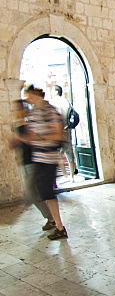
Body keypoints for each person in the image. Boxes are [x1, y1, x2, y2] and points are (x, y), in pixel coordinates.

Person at [12, 88, 69, 239]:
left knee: (46, 193)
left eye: (28, 95)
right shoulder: (34, 113)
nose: (27, 99)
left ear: (35, 95)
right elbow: (31, 137)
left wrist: (39, 137)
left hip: (48, 158)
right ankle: (57, 224)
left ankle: (59, 226)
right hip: (39, 159)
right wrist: (21, 139)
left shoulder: (50, 111)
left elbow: (58, 135)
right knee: (43, 192)